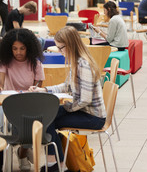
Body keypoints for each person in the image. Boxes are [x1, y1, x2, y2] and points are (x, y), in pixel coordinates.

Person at [29, 26, 106, 172]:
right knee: (46, 116)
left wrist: (66, 108)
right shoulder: (77, 61)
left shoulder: (83, 64)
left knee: (47, 118)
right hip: (84, 111)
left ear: (70, 45)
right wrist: (44, 89)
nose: (59, 51)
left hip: (93, 117)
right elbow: (66, 86)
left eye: (61, 48)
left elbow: (85, 100)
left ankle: (57, 164)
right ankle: (57, 163)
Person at [0, 28, 45, 170]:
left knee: (30, 124)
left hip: (28, 104)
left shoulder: (36, 65)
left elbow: (38, 87)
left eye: (22, 48)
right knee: (13, 125)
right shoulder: (5, 62)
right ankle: (24, 151)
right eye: (14, 48)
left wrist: (33, 89)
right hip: (9, 103)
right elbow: (0, 84)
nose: (18, 52)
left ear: (29, 48)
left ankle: (22, 152)